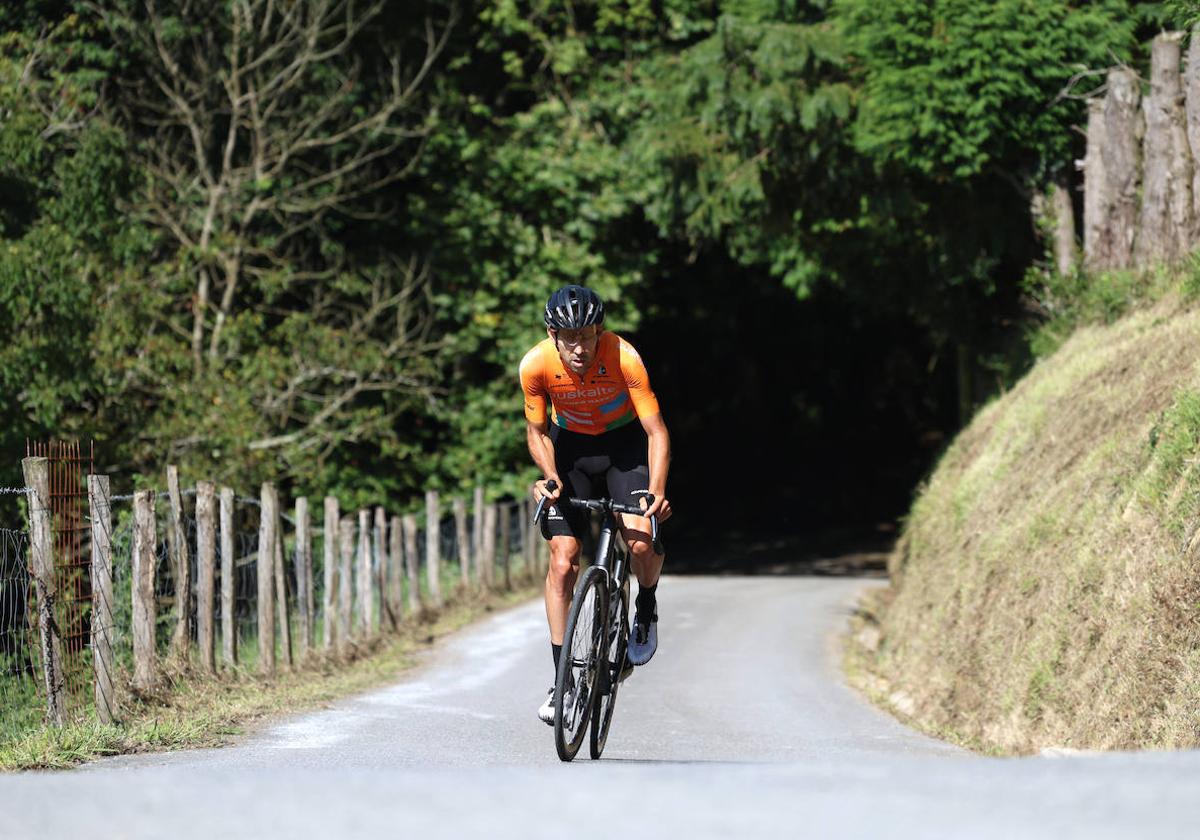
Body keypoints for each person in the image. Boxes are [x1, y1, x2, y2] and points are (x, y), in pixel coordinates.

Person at [520, 284, 673, 725]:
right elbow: (537, 432)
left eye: (586, 335)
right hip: (571, 452)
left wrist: (658, 490)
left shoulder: (625, 357)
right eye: (568, 337)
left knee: (641, 543)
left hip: (624, 448)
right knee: (564, 560)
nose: (579, 347)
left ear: (599, 331)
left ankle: (644, 605)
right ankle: (563, 681)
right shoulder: (535, 365)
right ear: (552, 334)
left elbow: (656, 431)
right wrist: (550, 476)